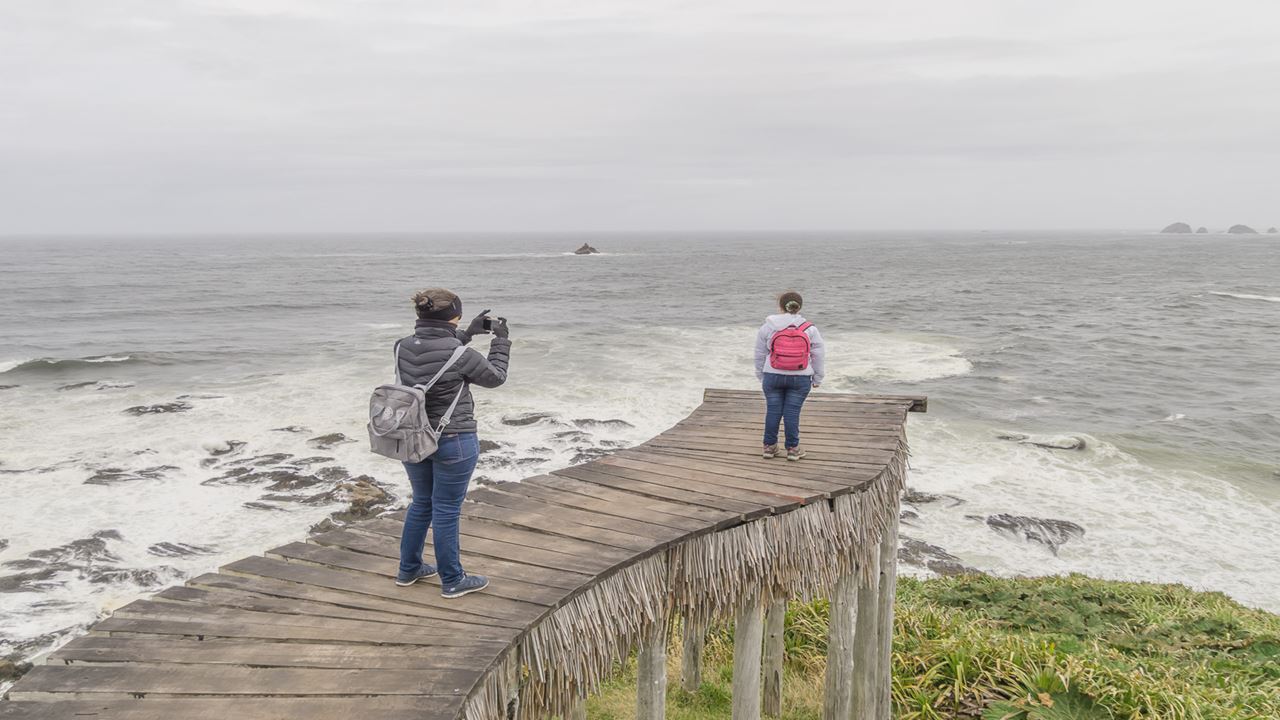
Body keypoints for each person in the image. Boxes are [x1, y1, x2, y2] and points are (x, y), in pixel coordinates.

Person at [393, 288, 510, 598]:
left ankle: (409, 569)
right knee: (446, 509)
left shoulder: (401, 347)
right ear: (454, 315)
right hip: (453, 440)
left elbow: (435, 351)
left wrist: (467, 333)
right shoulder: (462, 355)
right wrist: (500, 341)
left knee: (421, 503)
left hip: (413, 436)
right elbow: (496, 377)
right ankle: (453, 580)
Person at [754, 291, 825, 461]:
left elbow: (759, 353)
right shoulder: (810, 328)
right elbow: (818, 355)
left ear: (780, 306)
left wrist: (761, 375)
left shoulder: (768, 326)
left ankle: (769, 447)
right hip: (800, 377)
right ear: (799, 307)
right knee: (792, 412)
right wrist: (818, 378)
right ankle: (793, 449)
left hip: (772, 375)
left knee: (773, 410)